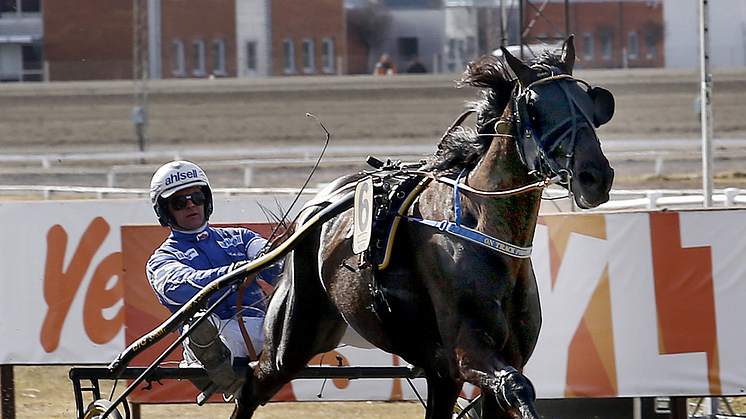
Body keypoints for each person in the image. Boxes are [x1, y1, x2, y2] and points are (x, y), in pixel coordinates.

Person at [146, 160, 283, 397]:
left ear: (206, 200)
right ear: (165, 210)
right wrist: (233, 273)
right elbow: (178, 286)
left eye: (196, 198)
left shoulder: (242, 238)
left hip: (267, 333)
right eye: (179, 202)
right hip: (216, 336)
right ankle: (214, 367)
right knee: (199, 324)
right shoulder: (161, 259)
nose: (191, 206)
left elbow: (279, 266)